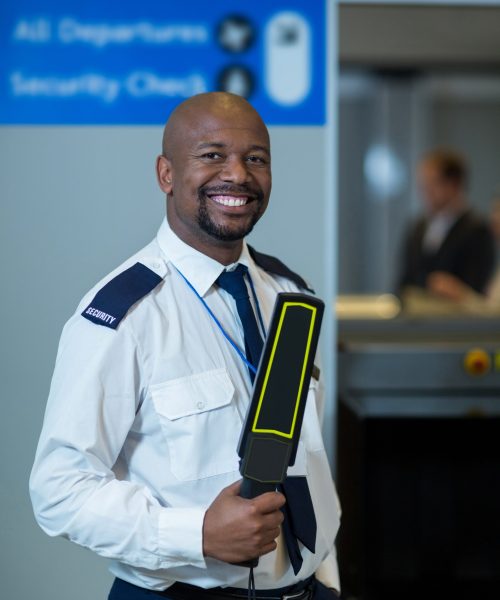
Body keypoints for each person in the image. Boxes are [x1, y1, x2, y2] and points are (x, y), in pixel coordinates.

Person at [30, 92, 341, 600]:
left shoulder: (291, 296)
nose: (238, 174)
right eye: (212, 155)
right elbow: (57, 492)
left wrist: (324, 575)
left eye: (255, 158)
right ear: (166, 174)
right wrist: (196, 534)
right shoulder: (123, 316)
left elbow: (309, 461)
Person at [397, 148, 495, 299]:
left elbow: (478, 289)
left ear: (453, 184)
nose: (425, 191)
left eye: (432, 183)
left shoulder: (477, 230)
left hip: (457, 320)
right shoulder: (418, 227)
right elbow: (404, 282)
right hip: (416, 318)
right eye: (423, 184)